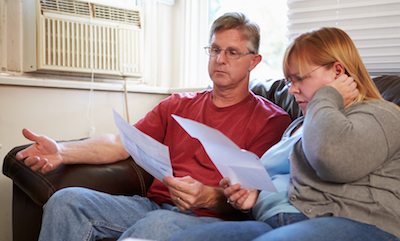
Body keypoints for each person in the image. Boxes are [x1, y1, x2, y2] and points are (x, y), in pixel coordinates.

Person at [16, 12, 292, 241]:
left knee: (157, 225)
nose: (220, 59)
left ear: (254, 61)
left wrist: (207, 195)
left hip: (211, 220)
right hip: (151, 206)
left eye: (232, 52)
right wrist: (63, 151)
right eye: (215, 50)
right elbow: (121, 143)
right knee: (67, 201)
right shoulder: (177, 104)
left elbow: (253, 194)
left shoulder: (272, 120)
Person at [170, 27, 400, 241]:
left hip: (349, 221)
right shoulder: (297, 125)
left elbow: (332, 160)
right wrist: (251, 198)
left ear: (338, 71)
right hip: (272, 221)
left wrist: (327, 96)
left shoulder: (381, 114)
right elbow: (282, 180)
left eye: (300, 78)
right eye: (290, 80)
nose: (291, 90)